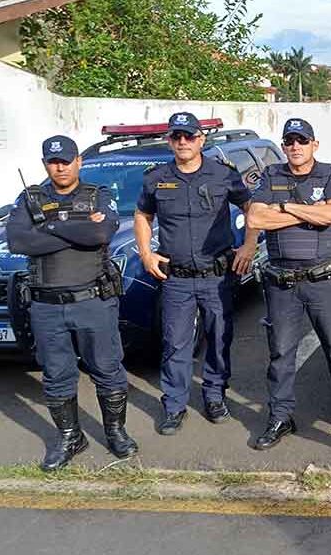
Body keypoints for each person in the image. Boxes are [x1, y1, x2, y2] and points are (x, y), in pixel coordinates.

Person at [7, 135, 138, 470]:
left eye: (66, 160)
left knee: (107, 369)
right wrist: (72, 226)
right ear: (45, 164)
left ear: (78, 161)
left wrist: (48, 225)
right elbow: (18, 240)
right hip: (46, 305)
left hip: (92, 301)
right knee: (56, 375)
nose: (60, 167)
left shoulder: (97, 195)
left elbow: (100, 235)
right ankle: (70, 437)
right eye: (53, 161)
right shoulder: (29, 198)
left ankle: (115, 431)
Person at [246, 118, 331, 450]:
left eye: (302, 140)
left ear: (314, 144)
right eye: (289, 141)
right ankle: (280, 417)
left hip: (323, 281)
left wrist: (285, 207)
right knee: (281, 354)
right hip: (282, 284)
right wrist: (307, 211)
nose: (295, 147)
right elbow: (255, 219)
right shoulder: (271, 175)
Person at [134, 112, 258, 434]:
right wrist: (146, 253)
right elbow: (142, 215)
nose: (183, 142)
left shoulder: (223, 174)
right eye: (177, 136)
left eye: (189, 136)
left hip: (216, 275)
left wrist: (248, 246)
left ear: (201, 139)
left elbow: (251, 209)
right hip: (175, 278)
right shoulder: (155, 178)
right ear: (169, 140)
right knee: (175, 343)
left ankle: (214, 396)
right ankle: (174, 405)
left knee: (219, 338)